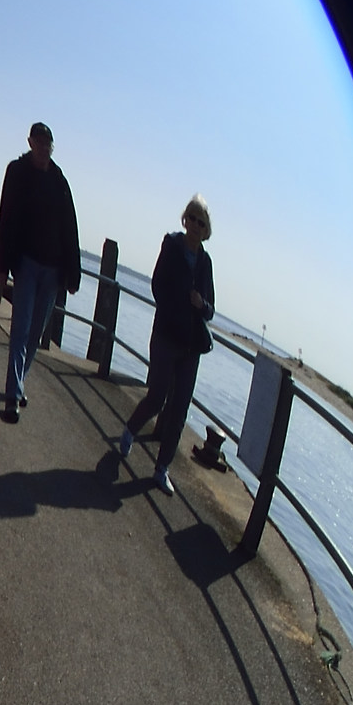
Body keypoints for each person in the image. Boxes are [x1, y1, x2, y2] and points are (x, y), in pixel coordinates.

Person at [117, 197, 216, 496]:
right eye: (193, 218)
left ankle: (162, 469)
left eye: (202, 222)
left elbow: (210, 309)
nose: (196, 226)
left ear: (206, 228)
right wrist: (176, 308)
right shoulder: (172, 247)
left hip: (191, 347)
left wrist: (201, 304)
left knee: (179, 410)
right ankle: (130, 430)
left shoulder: (205, 262)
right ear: (184, 219)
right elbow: (158, 285)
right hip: (165, 336)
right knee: (158, 396)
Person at [0, 122, 83, 421]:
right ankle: (11, 397)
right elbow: (5, 217)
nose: (45, 149)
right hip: (27, 264)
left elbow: (71, 229)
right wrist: (3, 265)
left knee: (35, 334)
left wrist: (74, 274)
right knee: (20, 328)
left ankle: (18, 382)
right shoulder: (17, 173)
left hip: (54, 270)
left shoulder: (59, 181)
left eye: (49, 145)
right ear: (30, 142)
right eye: (40, 143)